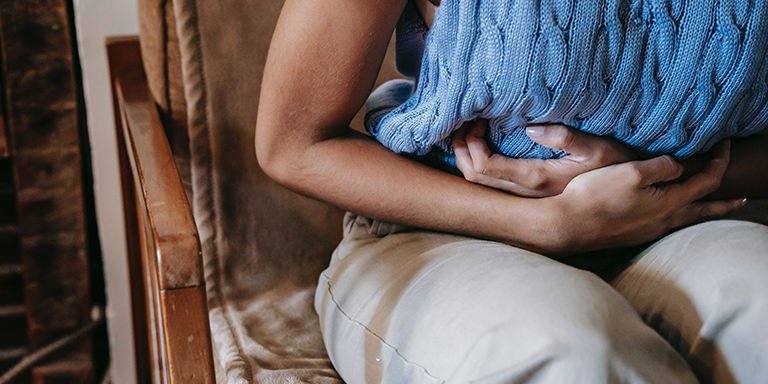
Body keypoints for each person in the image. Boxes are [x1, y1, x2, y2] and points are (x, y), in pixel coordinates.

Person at [255, 0, 768, 382]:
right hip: (446, 231)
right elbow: (292, 143)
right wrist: (546, 225)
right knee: (572, 356)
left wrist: (649, 173)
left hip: (681, 216)